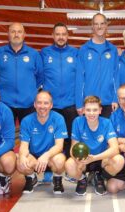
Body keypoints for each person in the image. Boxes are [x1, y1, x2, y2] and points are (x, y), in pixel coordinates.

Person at [65, 96, 123, 196]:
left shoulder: (106, 123)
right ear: (83, 110)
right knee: (69, 165)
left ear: (100, 110)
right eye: (88, 110)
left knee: (119, 160)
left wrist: (94, 158)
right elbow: (73, 148)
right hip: (85, 159)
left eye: (95, 110)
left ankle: (100, 177)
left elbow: (115, 148)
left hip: (101, 159)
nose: (91, 113)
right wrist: (77, 159)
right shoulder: (78, 122)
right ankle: (82, 179)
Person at [0, 22, 43, 123]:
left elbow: (40, 76)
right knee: (4, 136)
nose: (16, 34)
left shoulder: (34, 54)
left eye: (19, 32)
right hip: (5, 103)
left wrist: (30, 91)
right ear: (8, 34)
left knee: (29, 136)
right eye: (13, 32)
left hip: (29, 104)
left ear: (24, 34)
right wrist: (1, 91)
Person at [17, 91, 68, 194]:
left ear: (51, 105)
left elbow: (59, 146)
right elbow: (24, 145)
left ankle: (57, 179)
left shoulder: (58, 119)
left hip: (51, 156)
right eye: (39, 103)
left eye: (46, 103)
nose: (42, 106)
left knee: (60, 161)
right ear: (35, 104)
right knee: (20, 162)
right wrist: (22, 156)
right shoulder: (27, 120)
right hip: (34, 156)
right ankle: (30, 178)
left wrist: (46, 155)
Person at [40, 22, 78, 158]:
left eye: (63, 34)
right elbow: (39, 76)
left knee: (69, 137)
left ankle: (69, 165)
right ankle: (50, 169)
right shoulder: (44, 53)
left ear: (67, 36)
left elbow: (82, 78)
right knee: (51, 137)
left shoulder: (75, 53)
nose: (61, 37)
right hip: (51, 105)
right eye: (57, 34)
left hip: (71, 103)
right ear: (53, 35)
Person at [76, 13, 119, 118]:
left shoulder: (113, 50)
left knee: (108, 134)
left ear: (106, 26)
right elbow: (79, 78)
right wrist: (79, 103)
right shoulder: (84, 49)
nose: (99, 26)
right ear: (92, 26)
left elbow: (116, 76)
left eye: (102, 23)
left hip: (108, 103)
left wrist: (115, 99)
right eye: (96, 24)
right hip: (90, 103)